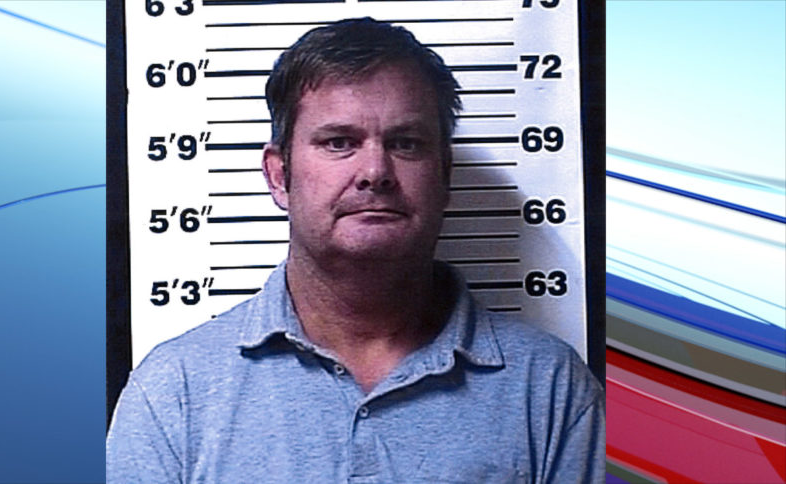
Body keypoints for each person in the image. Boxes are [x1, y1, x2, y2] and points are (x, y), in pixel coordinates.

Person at [107, 17, 605, 483]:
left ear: (445, 175)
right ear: (279, 176)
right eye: (339, 142)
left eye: (406, 143)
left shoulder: (551, 391)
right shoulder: (173, 394)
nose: (375, 171)